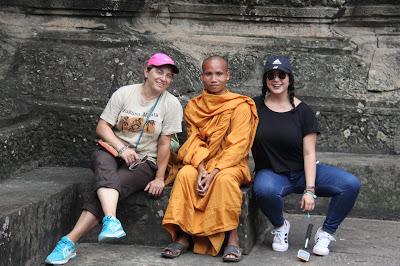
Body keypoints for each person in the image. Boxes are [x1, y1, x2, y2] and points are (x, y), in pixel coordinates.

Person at [45, 52, 183, 265]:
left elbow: (165, 144)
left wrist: (159, 178)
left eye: (168, 76)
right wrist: (121, 148)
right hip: (112, 151)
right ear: (146, 71)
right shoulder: (124, 93)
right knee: (102, 163)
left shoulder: (171, 104)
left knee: (109, 185)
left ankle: (69, 241)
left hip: (144, 161)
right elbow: (102, 127)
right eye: (159, 72)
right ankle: (111, 220)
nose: (163, 78)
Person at [251, 55, 361, 256]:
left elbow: (309, 152)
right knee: (264, 189)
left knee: (350, 184)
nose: (276, 79)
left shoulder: (303, 112)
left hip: (303, 172)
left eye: (281, 75)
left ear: (289, 79)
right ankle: (280, 226)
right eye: (271, 75)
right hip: (272, 174)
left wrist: (310, 190)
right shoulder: (253, 107)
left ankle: (326, 233)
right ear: (265, 80)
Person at [161, 55, 258, 262]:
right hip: (202, 161)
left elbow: (238, 146)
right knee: (186, 173)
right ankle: (184, 235)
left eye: (219, 74)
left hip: (231, 163)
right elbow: (194, 142)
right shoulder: (194, 106)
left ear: (227, 76)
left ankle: (232, 238)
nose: (214, 79)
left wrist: (214, 172)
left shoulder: (240, 105)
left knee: (223, 180)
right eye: (209, 74)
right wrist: (202, 168)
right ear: (202, 77)